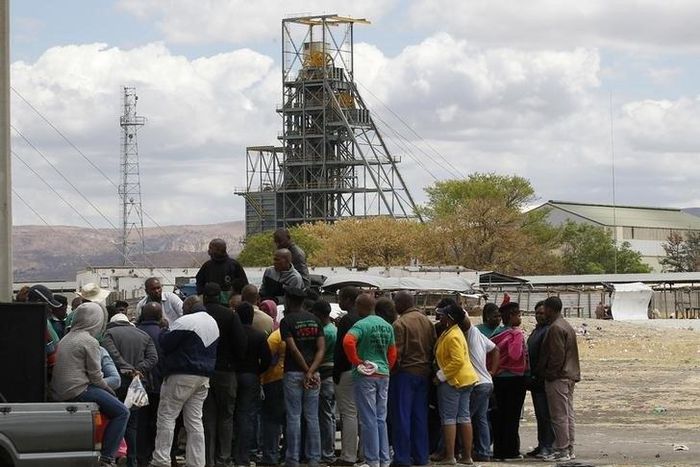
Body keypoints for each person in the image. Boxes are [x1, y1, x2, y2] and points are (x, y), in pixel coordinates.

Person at [50, 302, 130, 467]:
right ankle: (107, 458)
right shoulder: (89, 341)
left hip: (60, 391)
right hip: (79, 389)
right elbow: (96, 378)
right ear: (97, 321)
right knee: (122, 412)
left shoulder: (66, 338)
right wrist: (110, 390)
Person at [149, 300, 220, 467]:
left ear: (188, 307)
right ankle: (196, 462)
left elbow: (165, 343)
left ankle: (161, 460)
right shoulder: (212, 322)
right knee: (194, 421)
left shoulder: (185, 321)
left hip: (181, 374)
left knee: (167, 416)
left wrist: (164, 329)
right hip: (203, 377)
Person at [343, 293, 396, 467]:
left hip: (365, 375)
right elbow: (392, 352)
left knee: (368, 419)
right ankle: (384, 459)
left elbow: (348, 342)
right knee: (381, 418)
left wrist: (357, 362)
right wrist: (386, 367)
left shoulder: (360, 325)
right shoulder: (387, 326)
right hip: (383, 374)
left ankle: (372, 460)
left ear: (360, 307)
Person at [102, 311, 159, 467]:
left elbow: (112, 355)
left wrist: (127, 368)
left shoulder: (109, 333)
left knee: (115, 419)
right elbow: (153, 358)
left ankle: (113, 457)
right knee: (133, 424)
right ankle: (132, 460)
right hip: (138, 383)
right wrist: (138, 369)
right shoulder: (143, 334)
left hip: (118, 383)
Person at [201, 282, 248, 467]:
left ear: (204, 296)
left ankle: (208, 459)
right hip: (227, 371)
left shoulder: (197, 315)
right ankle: (224, 458)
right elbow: (241, 344)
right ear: (220, 296)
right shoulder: (229, 315)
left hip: (203, 372)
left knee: (208, 417)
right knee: (227, 416)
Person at [279, 287, 325, 467]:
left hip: (293, 373)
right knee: (312, 417)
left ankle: (293, 459)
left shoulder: (287, 321)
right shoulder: (315, 320)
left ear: (288, 300)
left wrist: (306, 370)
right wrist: (312, 371)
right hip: (314, 374)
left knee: (294, 417)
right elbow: (321, 348)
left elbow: (293, 349)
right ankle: (314, 458)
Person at [389, 292, 436, 467]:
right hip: (424, 373)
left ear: (401, 304)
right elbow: (433, 346)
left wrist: (391, 372)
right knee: (419, 417)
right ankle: (421, 456)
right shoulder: (427, 322)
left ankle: (402, 457)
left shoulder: (400, 323)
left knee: (402, 416)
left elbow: (397, 354)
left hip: (404, 374)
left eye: (395, 303)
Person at [434, 303, 478, 466]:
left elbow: (457, 360)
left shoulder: (452, 335)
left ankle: (450, 456)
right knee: (464, 417)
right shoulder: (454, 332)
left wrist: (441, 376)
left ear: (450, 318)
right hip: (466, 380)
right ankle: (466, 457)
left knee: (449, 419)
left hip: (454, 381)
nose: (440, 317)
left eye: (444, 315)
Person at [538, 296, 581, 462]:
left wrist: (550, 373)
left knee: (559, 416)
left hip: (559, 377)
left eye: (545, 309)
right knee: (568, 414)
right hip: (569, 375)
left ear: (550, 309)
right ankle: (569, 449)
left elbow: (557, 356)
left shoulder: (555, 328)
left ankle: (562, 450)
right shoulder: (566, 325)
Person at [233, 302, 272, 466]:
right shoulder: (259, 335)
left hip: (233, 375)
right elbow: (267, 359)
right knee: (247, 415)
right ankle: (244, 455)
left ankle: (228, 452)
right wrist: (258, 371)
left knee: (229, 415)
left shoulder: (231, 335)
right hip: (251, 376)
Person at [490, 302, 528, 461]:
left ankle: (499, 451)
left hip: (497, 378)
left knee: (498, 416)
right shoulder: (515, 334)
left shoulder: (496, 332)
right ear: (511, 316)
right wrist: (517, 336)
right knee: (512, 417)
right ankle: (511, 451)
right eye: (518, 315)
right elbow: (515, 354)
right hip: (514, 379)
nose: (520, 318)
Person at [464, 305, 500, 462]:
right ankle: (483, 451)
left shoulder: (471, 332)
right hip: (486, 382)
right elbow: (495, 348)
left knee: (465, 418)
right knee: (481, 418)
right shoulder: (479, 333)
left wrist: (492, 370)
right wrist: (491, 372)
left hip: (478, 383)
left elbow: (495, 349)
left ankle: (462, 450)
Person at [136, 302, 168, 467]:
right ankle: (155, 455)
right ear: (159, 316)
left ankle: (140, 457)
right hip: (159, 384)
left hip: (139, 384)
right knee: (158, 421)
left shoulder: (136, 332)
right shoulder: (164, 334)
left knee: (140, 422)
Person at [332, 286, 362, 466]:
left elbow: (342, 349)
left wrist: (337, 371)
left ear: (350, 300)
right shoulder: (365, 318)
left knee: (348, 413)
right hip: (362, 370)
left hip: (347, 370)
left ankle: (348, 455)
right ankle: (364, 452)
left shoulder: (347, 320)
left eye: (341, 298)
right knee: (362, 414)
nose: (340, 302)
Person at [525, 301, 555, 459]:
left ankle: (548, 446)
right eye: (537, 313)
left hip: (543, 379)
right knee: (539, 414)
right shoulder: (537, 331)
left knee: (545, 415)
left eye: (542, 313)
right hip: (535, 379)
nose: (539, 316)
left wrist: (539, 373)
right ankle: (542, 443)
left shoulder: (549, 331)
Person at [311, 300, 338, 464]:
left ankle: (326, 452)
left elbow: (319, 355)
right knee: (331, 415)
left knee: (325, 415)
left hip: (325, 374)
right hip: (333, 376)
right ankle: (329, 449)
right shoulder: (334, 329)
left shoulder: (325, 333)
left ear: (319, 314)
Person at [259, 321, 286, 466]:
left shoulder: (275, 337)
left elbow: (266, 360)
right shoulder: (296, 335)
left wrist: (260, 379)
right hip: (294, 379)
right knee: (290, 419)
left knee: (271, 420)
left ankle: (270, 456)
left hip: (273, 379)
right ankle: (288, 454)